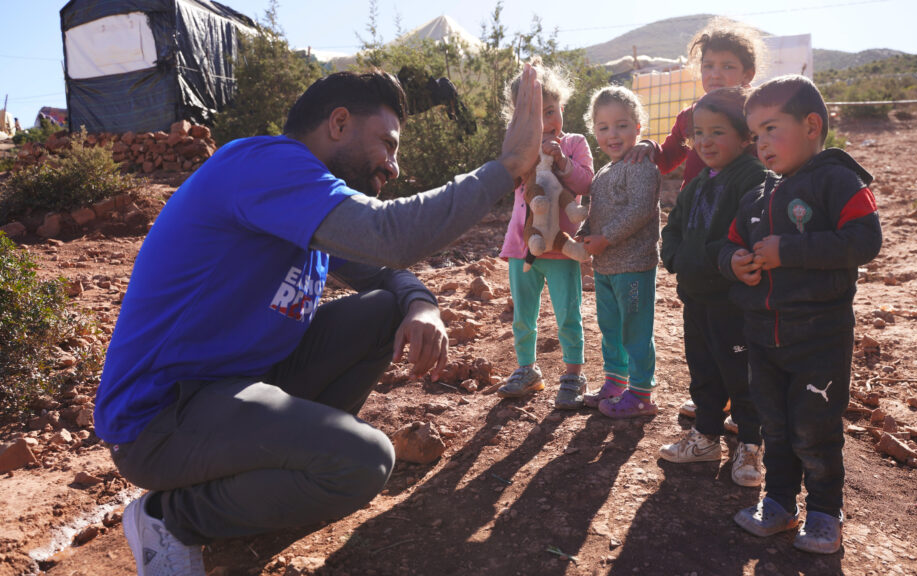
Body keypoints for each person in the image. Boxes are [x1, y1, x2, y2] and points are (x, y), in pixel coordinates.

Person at [95, 67, 546, 575]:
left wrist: (421, 303)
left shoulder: (304, 199)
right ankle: (169, 517)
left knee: (382, 308)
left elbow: (383, 269)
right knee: (364, 461)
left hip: (234, 392)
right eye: (387, 143)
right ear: (337, 123)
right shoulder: (263, 165)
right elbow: (389, 235)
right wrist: (505, 166)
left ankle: (275, 477)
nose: (393, 166)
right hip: (161, 419)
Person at [721, 75, 882, 554]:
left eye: (771, 128)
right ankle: (779, 503)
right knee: (776, 425)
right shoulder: (756, 196)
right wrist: (735, 262)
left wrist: (788, 251)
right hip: (763, 337)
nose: (762, 143)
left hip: (820, 339)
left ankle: (825, 513)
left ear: (812, 125)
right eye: (755, 135)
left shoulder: (837, 180)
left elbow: (864, 242)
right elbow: (732, 243)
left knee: (815, 429)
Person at [624, 18, 764, 423]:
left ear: (748, 74)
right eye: (708, 66)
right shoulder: (692, 116)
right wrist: (649, 146)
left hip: (739, 227)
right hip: (698, 225)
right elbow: (668, 157)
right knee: (701, 321)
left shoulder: (755, 113)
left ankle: (746, 405)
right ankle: (714, 398)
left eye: (727, 66)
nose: (715, 74)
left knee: (736, 321)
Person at [657, 87, 766, 487]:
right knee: (703, 371)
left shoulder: (753, 179)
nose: (704, 141)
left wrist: (698, 258)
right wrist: (672, 257)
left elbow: (746, 239)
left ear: (744, 136)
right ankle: (705, 438)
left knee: (742, 376)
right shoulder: (698, 181)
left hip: (733, 303)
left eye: (717, 132)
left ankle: (751, 446)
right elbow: (674, 227)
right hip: (696, 298)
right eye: (698, 133)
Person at [496, 63, 595, 409]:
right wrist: (522, 150)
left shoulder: (575, 143)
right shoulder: (521, 149)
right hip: (522, 245)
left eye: (552, 111)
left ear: (563, 109)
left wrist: (562, 163)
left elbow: (586, 183)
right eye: (538, 115)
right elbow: (507, 181)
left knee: (568, 312)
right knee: (523, 313)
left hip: (562, 247)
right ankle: (527, 369)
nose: (548, 121)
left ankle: (573, 374)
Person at [577, 86, 661, 418]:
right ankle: (615, 381)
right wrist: (586, 232)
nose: (613, 134)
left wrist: (606, 238)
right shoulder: (603, 172)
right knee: (611, 328)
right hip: (606, 267)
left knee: (635, 329)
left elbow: (640, 210)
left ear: (638, 127)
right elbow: (598, 212)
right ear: (594, 130)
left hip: (633, 265)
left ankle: (641, 392)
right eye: (604, 127)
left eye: (622, 125)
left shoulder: (641, 165)